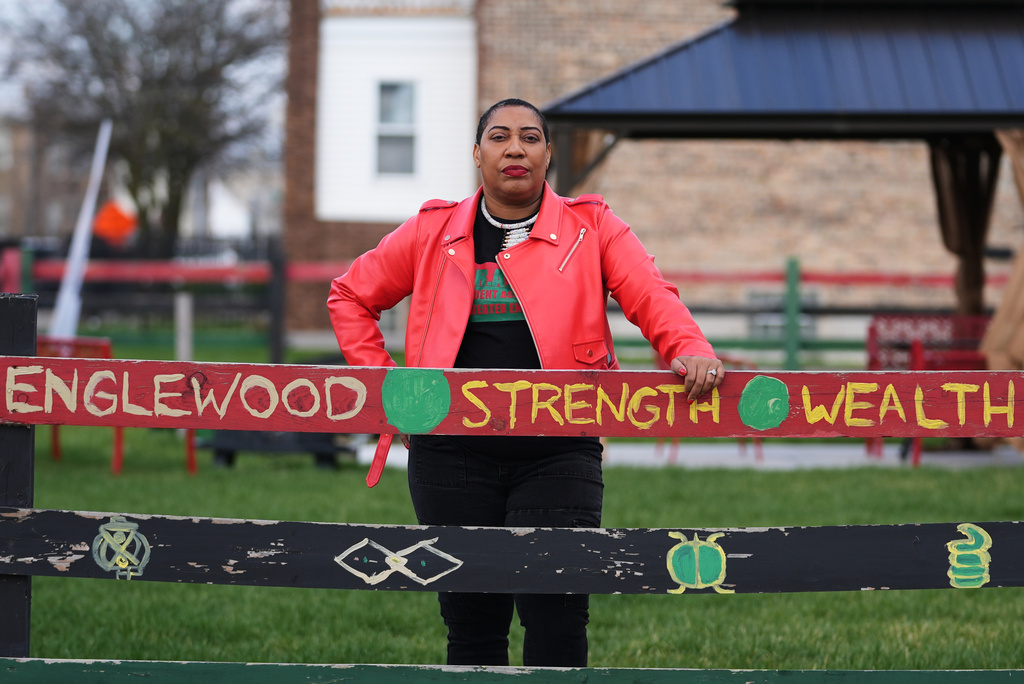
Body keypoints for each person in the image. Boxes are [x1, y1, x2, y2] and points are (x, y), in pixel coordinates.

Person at [327, 98, 724, 667]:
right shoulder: (431, 231)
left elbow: (650, 294)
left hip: (560, 451)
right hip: (450, 457)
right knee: (472, 622)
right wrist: (391, 390)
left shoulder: (593, 227)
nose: (515, 148)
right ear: (477, 153)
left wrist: (688, 347)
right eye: (499, 136)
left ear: (548, 153)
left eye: (531, 137)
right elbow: (350, 295)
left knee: (557, 617)